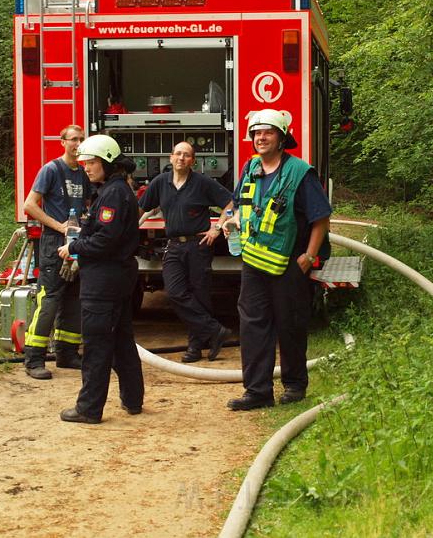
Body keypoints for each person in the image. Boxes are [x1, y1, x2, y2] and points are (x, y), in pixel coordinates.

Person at [224, 109, 332, 411]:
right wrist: (229, 220)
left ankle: (295, 385)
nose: (261, 137)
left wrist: (309, 257)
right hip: (254, 263)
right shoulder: (251, 168)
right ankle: (257, 391)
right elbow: (238, 204)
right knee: (253, 326)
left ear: (282, 138)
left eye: (268, 132)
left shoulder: (301, 173)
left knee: (291, 325)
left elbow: (320, 219)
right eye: (256, 133)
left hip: (289, 265)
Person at [58, 134, 144, 424]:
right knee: (122, 341)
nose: (86, 167)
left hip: (104, 281)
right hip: (116, 277)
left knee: (96, 346)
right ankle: (133, 400)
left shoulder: (112, 195)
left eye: (92, 162)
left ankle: (88, 409)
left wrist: (73, 247)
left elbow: (105, 241)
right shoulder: (114, 190)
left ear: (108, 162)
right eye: (84, 162)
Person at [139, 142, 234, 363]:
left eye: (187, 155)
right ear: (170, 158)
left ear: (193, 161)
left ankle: (195, 347)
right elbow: (142, 207)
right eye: (178, 154)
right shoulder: (160, 183)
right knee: (174, 292)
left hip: (198, 245)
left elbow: (231, 202)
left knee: (199, 295)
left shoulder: (203, 183)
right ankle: (215, 330)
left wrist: (217, 227)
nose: (181, 158)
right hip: (173, 245)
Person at [22, 124, 91, 380]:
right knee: (48, 299)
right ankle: (34, 359)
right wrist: (59, 225)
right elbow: (29, 205)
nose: (77, 144)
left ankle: (67, 353)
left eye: (81, 140)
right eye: (73, 139)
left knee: (74, 298)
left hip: (75, 244)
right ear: (62, 142)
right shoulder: (51, 170)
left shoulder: (83, 175)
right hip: (53, 242)